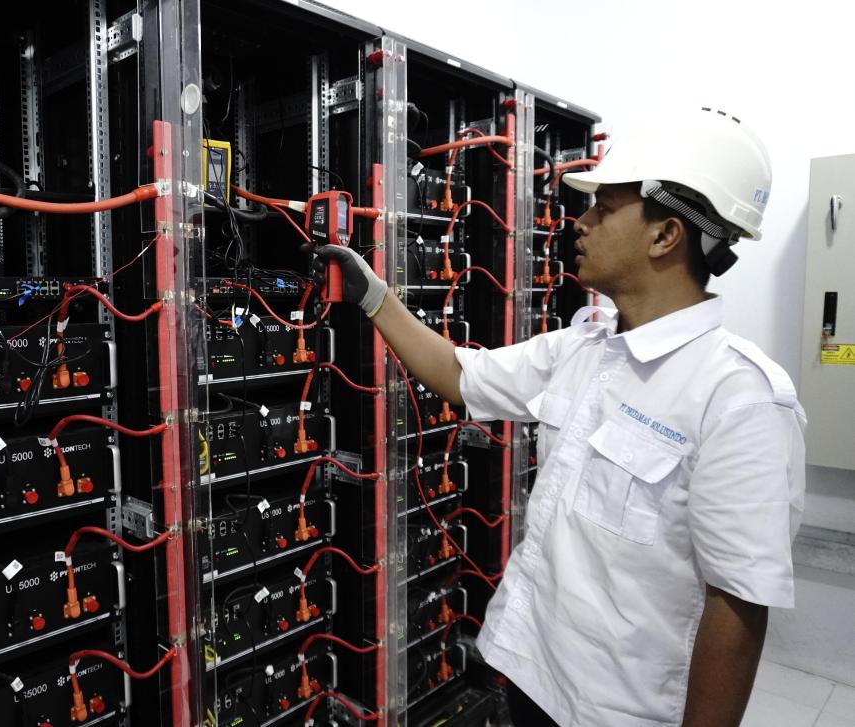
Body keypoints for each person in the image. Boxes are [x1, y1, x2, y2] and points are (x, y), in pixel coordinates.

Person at [311, 108, 806, 726]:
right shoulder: (584, 349)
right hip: (530, 672)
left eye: (606, 208)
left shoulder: (740, 397)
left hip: (617, 712)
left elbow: (738, 605)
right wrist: (373, 295)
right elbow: (459, 375)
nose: (582, 221)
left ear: (665, 236)